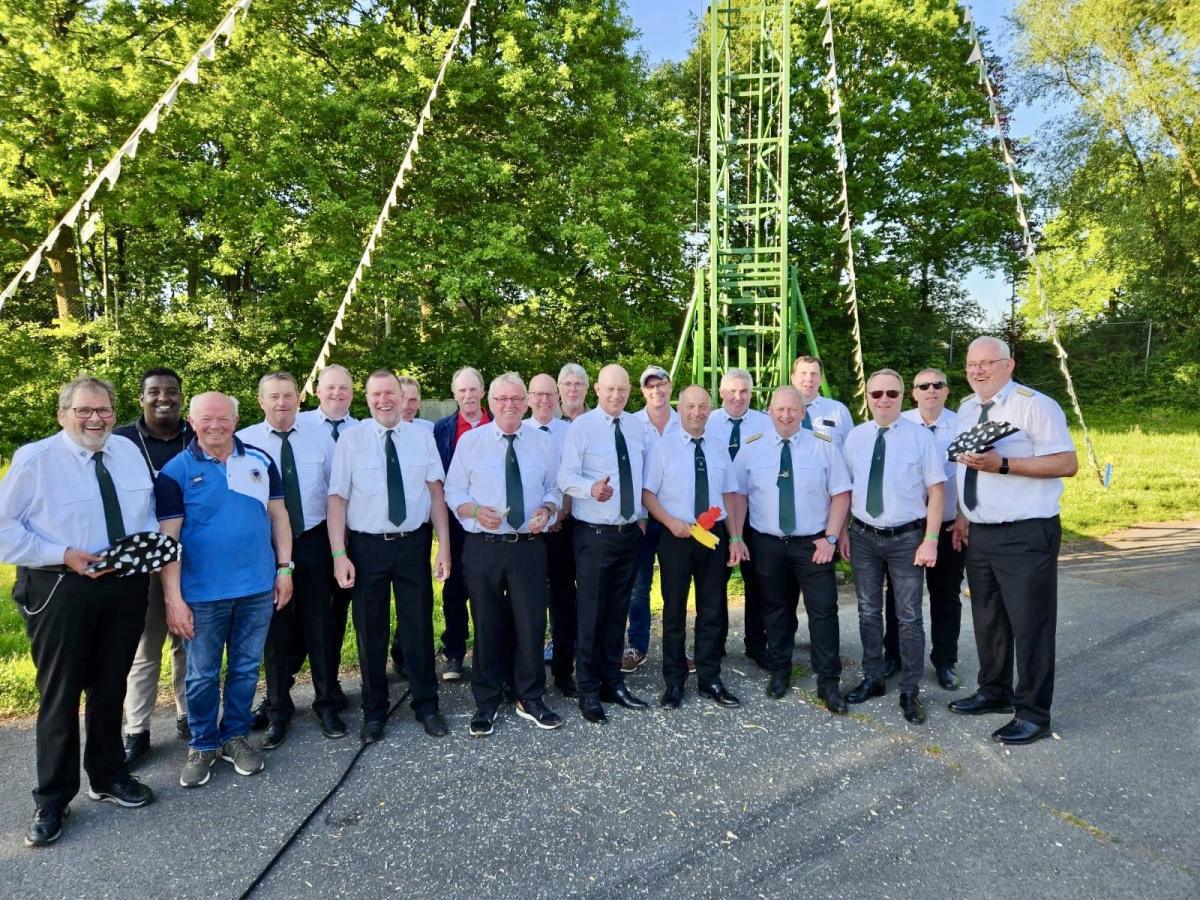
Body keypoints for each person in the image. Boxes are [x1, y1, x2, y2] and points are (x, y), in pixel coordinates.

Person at [0, 376, 157, 847]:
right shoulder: (36, 459)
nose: (96, 419)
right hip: (60, 585)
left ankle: (107, 775)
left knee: (111, 683)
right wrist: (63, 553)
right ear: (63, 414)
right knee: (61, 690)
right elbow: (4, 529)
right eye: (85, 411)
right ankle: (52, 797)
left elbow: (144, 510)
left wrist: (144, 548)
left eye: (104, 410)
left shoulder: (127, 451)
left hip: (123, 583)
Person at [156, 392, 293, 789]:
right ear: (192, 422)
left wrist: (285, 568)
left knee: (247, 668)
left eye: (223, 418)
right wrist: (173, 597)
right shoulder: (174, 472)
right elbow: (170, 541)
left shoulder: (260, 462)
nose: (215, 426)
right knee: (201, 674)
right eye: (205, 419)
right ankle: (202, 743)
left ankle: (234, 736)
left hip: (256, 587)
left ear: (236, 419)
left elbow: (279, 516)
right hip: (201, 594)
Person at [948, 337, 1077, 745]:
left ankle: (1034, 714)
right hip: (981, 530)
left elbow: (1066, 462)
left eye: (988, 363)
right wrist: (964, 517)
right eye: (972, 364)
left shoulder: (1033, 404)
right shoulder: (967, 408)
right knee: (989, 620)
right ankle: (994, 692)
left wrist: (1003, 464)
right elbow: (965, 467)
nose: (978, 370)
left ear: (1009, 364)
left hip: (1025, 532)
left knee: (1030, 625)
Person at [327, 370, 451, 742]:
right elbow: (337, 500)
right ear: (367, 398)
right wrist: (339, 554)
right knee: (371, 631)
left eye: (390, 394)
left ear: (403, 397)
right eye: (376, 394)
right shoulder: (351, 440)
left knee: (418, 627)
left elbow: (435, 495)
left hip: (413, 542)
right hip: (367, 547)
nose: (384, 401)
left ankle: (427, 705)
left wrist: (443, 545)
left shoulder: (423, 436)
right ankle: (374, 712)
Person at [445, 373, 563, 736]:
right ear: (490, 403)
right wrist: (475, 511)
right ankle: (487, 700)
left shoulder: (542, 443)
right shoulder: (471, 442)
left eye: (516, 399)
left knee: (530, 623)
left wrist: (547, 508)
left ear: (526, 401)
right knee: (487, 623)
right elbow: (453, 492)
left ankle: (530, 696)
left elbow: (554, 487)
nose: (509, 405)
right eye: (501, 399)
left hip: (528, 546)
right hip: (484, 547)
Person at [237, 373, 344, 748]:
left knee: (321, 625)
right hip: (266, 547)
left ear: (299, 399)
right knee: (277, 632)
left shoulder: (322, 438)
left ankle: (327, 703)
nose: (282, 403)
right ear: (261, 401)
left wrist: (337, 550)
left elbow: (335, 495)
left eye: (288, 396)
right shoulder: (245, 442)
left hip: (313, 540)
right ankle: (279, 711)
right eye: (274, 397)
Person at [728, 386, 850, 714]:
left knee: (823, 611)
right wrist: (736, 536)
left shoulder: (823, 447)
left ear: (803, 413)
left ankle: (828, 681)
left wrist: (832, 538)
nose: (786, 416)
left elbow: (841, 494)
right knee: (776, 610)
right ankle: (780, 670)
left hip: (813, 544)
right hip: (767, 542)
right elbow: (736, 494)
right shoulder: (752, 448)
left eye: (793, 410)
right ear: (769, 411)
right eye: (780, 410)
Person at [839, 369, 945, 725]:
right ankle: (873, 677)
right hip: (864, 536)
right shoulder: (854, 437)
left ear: (903, 396)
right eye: (876, 394)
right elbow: (844, 489)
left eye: (892, 394)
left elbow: (937, 492)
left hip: (907, 539)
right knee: (868, 611)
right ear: (866, 397)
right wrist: (840, 533)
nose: (883, 400)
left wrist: (931, 539)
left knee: (909, 616)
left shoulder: (920, 438)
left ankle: (910, 689)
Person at [557, 364, 650, 722]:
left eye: (622, 389)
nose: (616, 395)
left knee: (617, 613)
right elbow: (566, 476)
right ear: (597, 389)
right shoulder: (582, 427)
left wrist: (640, 516)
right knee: (591, 614)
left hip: (628, 534)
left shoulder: (636, 427)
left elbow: (641, 475)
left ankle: (613, 682)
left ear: (629, 391)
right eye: (609, 389)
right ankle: (588, 690)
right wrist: (591, 489)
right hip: (594, 535)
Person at [643, 385, 741, 709]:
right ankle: (674, 682)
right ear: (680, 408)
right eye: (690, 406)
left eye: (702, 406)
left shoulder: (717, 447)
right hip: (677, 536)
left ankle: (710, 678)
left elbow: (728, 493)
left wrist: (735, 537)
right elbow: (648, 494)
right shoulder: (663, 447)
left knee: (712, 610)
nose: (696, 412)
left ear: (710, 409)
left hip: (712, 538)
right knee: (673, 612)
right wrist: (670, 522)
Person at [115, 367, 193, 765]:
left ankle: (187, 714)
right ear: (142, 397)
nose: (164, 398)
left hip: (191, 559)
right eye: (155, 392)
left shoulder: (195, 435)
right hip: (142, 563)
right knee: (145, 649)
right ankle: (137, 729)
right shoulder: (121, 442)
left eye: (172, 392)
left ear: (181, 396)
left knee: (187, 641)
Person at [881, 369, 964, 690]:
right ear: (912, 393)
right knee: (898, 597)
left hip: (947, 525)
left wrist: (963, 517)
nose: (931, 390)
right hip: (907, 528)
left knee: (946, 595)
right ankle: (894, 655)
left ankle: (945, 661)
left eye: (937, 385)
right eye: (923, 386)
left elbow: (970, 477)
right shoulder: (898, 425)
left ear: (947, 391)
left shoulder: (961, 425)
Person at [297, 364, 359, 711]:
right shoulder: (300, 425)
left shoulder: (364, 429)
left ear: (353, 392)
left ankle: (330, 682)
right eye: (330, 388)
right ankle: (282, 688)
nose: (337, 394)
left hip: (356, 535)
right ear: (318, 390)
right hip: (313, 534)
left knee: (337, 612)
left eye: (344, 388)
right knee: (300, 615)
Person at [704, 368, 773, 666]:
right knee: (712, 581)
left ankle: (757, 643)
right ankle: (714, 644)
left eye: (744, 391)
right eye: (731, 390)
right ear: (721, 393)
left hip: (754, 513)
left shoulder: (766, 423)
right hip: (714, 515)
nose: (738, 396)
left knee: (756, 580)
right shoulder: (707, 422)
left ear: (751, 393)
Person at [432, 366, 491, 681]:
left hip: (489, 523)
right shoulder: (442, 430)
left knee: (488, 589)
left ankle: (488, 651)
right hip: (454, 522)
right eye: (462, 390)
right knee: (454, 589)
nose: (468, 396)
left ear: (482, 392)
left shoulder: (498, 423)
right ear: (454, 394)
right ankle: (454, 653)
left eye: (473, 389)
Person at [623, 365, 681, 674]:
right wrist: (638, 514)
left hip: (675, 517)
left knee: (676, 586)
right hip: (642, 519)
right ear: (643, 391)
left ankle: (676, 650)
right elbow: (628, 473)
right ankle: (637, 646)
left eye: (661, 384)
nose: (657, 390)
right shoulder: (631, 424)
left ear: (670, 387)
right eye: (650, 386)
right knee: (638, 585)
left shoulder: (684, 421)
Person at [527, 372, 577, 696]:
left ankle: (563, 673)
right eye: (538, 394)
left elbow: (573, 477)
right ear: (529, 398)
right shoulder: (518, 431)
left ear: (557, 397)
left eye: (550, 394)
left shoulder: (570, 432)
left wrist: (561, 513)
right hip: (528, 534)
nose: (544, 400)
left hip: (562, 529)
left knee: (563, 603)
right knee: (529, 604)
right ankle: (528, 675)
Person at [390, 374, 433, 676]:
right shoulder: (368, 434)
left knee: (418, 601)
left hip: (418, 528)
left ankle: (412, 659)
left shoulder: (427, 432)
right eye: (401, 398)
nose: (407, 405)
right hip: (376, 530)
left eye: (413, 400)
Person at [790, 356, 854, 448]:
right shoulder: (779, 414)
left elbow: (852, 450)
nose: (809, 379)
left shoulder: (839, 411)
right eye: (803, 373)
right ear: (793, 379)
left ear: (821, 379)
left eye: (814, 374)